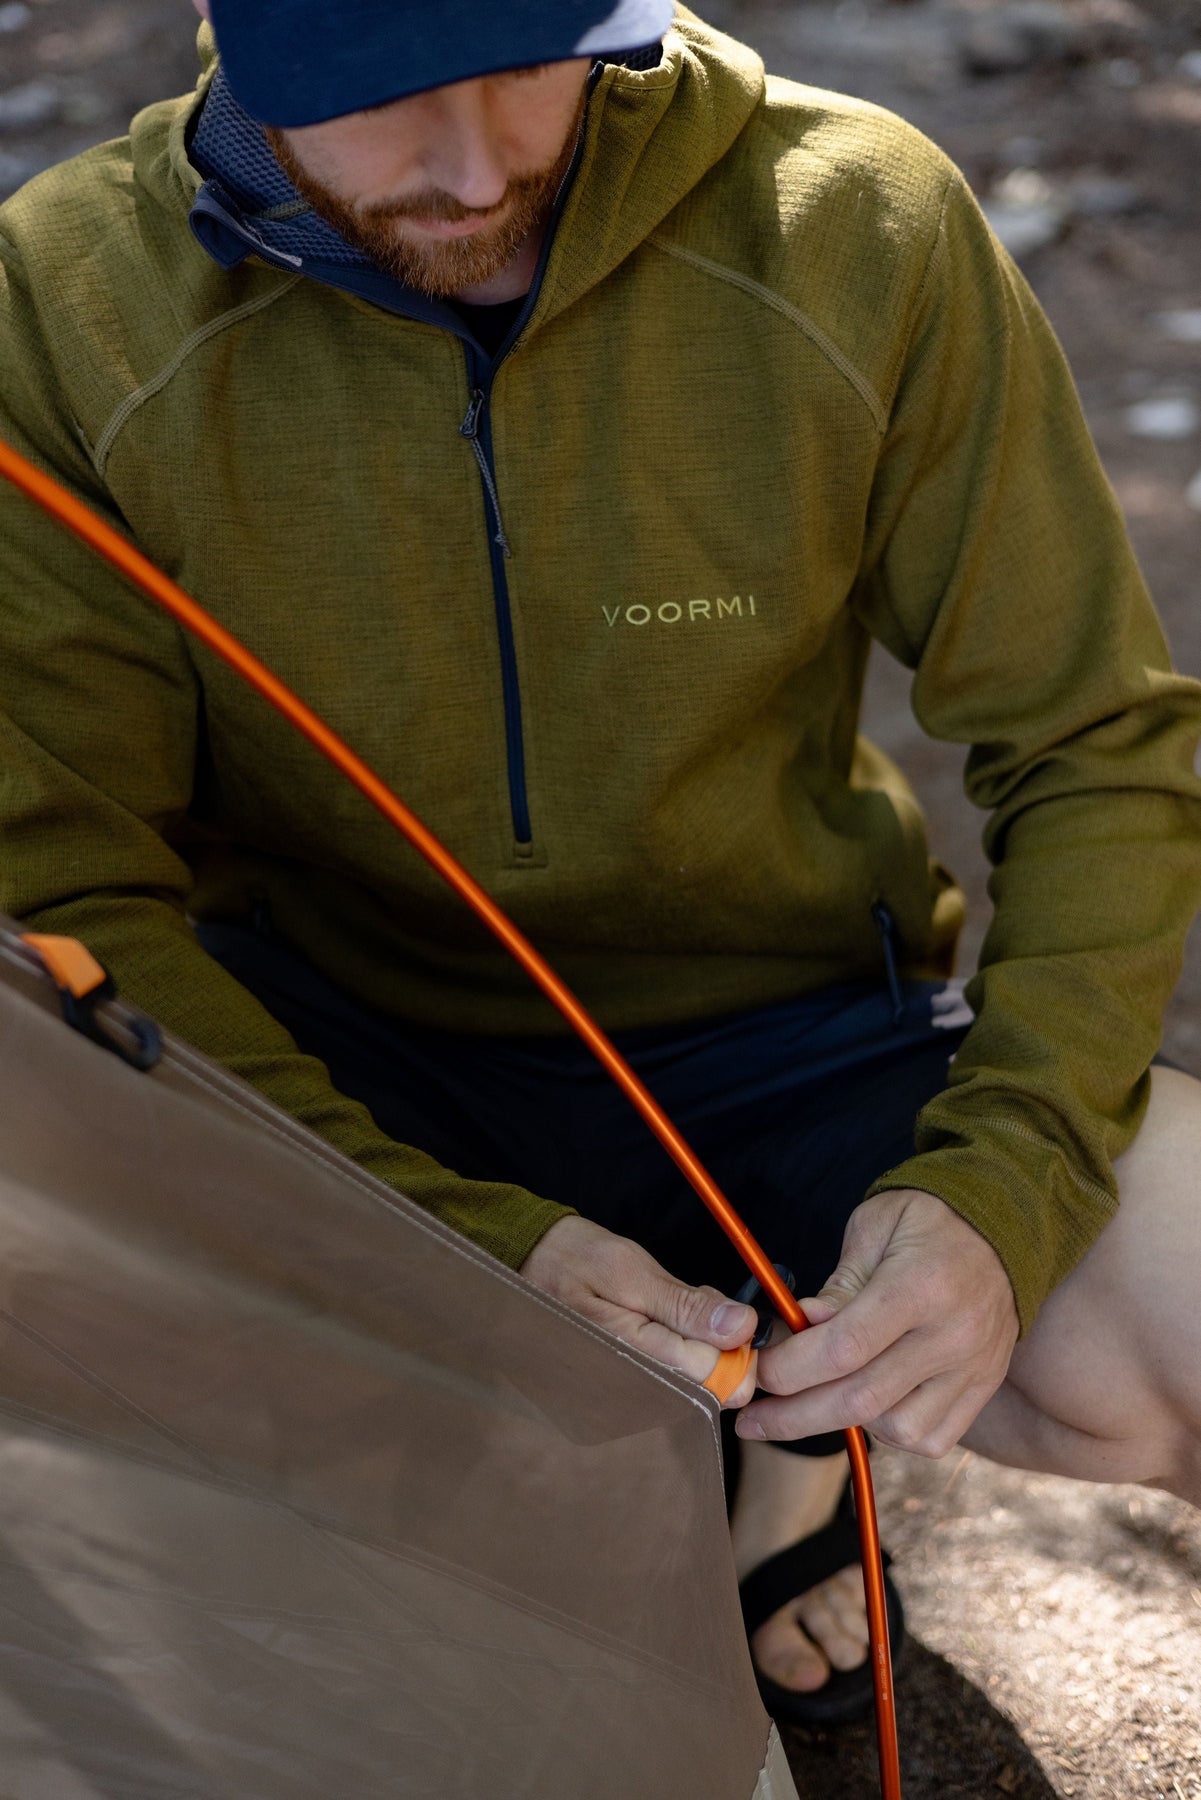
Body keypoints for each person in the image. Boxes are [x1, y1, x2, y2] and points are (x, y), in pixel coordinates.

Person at [1, 0, 1199, 1724]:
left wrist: (1003, 1181)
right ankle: (645, 1472)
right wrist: (452, 1237)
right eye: (383, 94)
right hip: (333, 1063)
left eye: (530, 58)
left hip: (793, 1031)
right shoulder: (58, 305)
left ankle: (764, 1449)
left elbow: (1092, 740)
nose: (478, 167)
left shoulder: (858, 218)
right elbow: (68, 891)